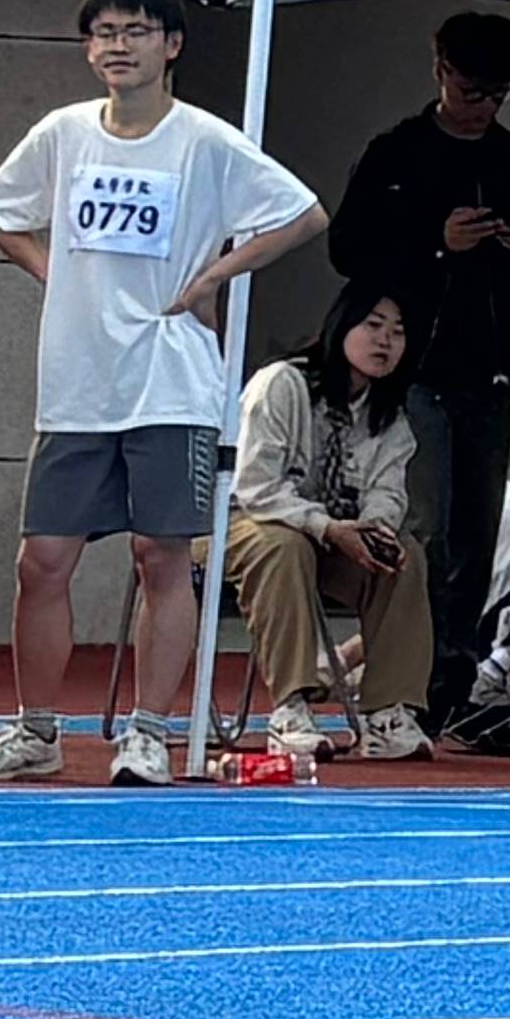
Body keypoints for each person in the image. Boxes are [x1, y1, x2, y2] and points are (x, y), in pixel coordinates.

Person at [0, 0, 325, 784]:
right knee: (41, 560)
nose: (118, 46)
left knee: (160, 555)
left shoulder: (204, 141)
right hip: (76, 383)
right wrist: (51, 270)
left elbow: (303, 213)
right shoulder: (62, 133)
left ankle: (148, 731)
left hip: (171, 380)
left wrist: (216, 276)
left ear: (172, 44)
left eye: (135, 31)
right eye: (104, 32)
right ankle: (36, 730)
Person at [328, 7, 510, 732]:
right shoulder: (397, 154)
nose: (484, 107)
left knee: (476, 534)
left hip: (492, 369)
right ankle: (405, 673)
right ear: (440, 71)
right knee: (426, 527)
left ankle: (454, 676)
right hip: (416, 369)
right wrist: (436, 243)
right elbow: (349, 251)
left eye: (499, 94)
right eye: (472, 91)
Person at [222, 278, 434, 765]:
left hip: (332, 537)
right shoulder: (282, 384)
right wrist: (327, 527)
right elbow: (255, 487)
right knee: (284, 545)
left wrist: (373, 531)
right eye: (373, 325)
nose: (384, 341)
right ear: (341, 326)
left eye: (398, 332)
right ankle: (290, 708)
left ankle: (387, 712)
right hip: (245, 524)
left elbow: (387, 492)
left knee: (403, 556)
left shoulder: (390, 417)